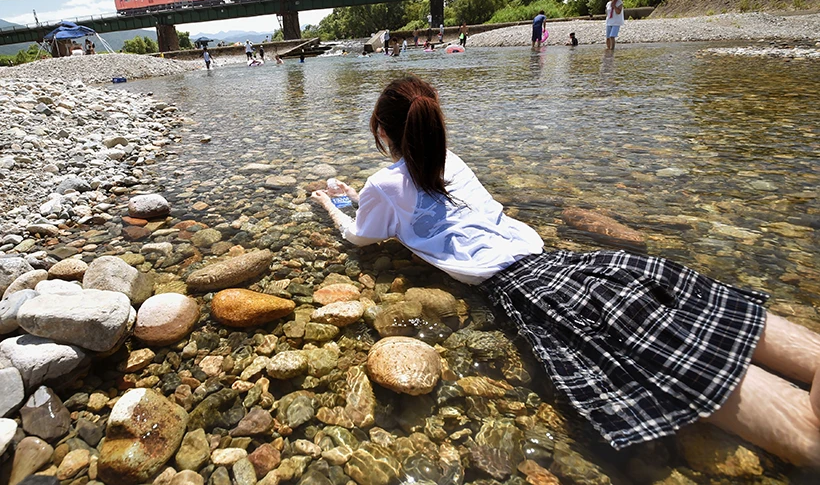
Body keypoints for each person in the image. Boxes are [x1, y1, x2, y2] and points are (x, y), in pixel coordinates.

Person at [311, 75, 820, 469]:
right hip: (561, 262)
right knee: (684, 307)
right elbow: (424, 208)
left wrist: (332, 203)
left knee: (655, 356)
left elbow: (360, 235)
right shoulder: (451, 161)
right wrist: (366, 200)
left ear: (383, 131)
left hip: (523, 287)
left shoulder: (381, 184)